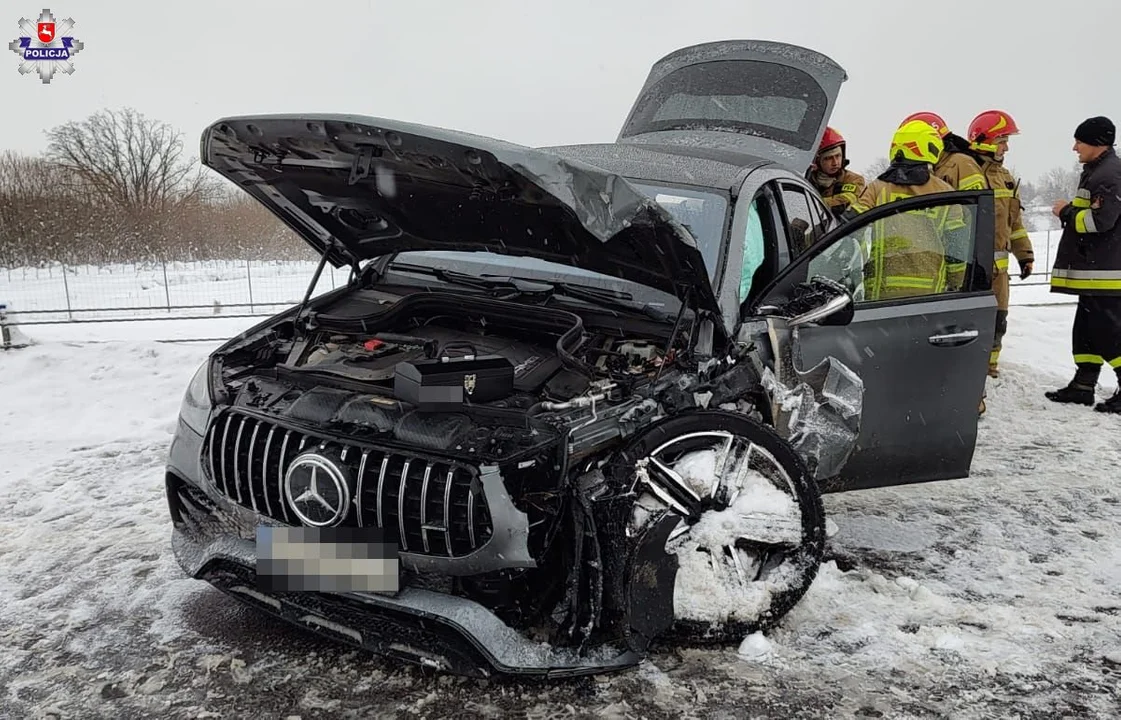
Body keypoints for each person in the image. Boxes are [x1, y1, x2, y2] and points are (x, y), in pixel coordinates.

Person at [1045, 116, 1121, 414]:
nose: (1074, 147)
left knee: (1107, 331)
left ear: (1097, 144)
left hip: (1106, 272)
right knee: (1086, 329)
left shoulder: (1109, 174)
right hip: (1095, 271)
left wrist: (1066, 213)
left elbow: (1100, 221)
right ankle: (1083, 384)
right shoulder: (1098, 171)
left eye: (1080, 141)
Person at [845, 120, 970, 301]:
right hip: (930, 294)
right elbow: (957, 246)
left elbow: (851, 226)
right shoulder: (946, 193)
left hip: (880, 294)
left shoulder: (877, 188)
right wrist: (956, 284)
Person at [967, 110, 1034, 378]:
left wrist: (1025, 254)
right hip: (970, 269)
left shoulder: (1005, 176)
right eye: (1002, 140)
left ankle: (990, 366)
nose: (1006, 147)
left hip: (999, 272)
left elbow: (1014, 223)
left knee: (998, 321)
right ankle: (969, 368)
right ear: (984, 140)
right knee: (969, 322)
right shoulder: (964, 170)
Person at [806, 127, 866, 217]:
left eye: (838, 156)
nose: (835, 163)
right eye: (828, 158)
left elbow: (845, 202)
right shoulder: (806, 180)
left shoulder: (854, 180)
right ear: (817, 161)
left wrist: (812, 203)